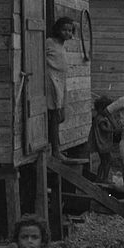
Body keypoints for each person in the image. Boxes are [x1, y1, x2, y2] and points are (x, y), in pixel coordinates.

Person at [45, 17, 76, 162]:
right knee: (54, 114)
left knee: (61, 114)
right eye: (64, 30)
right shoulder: (49, 42)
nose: (67, 33)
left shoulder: (62, 45)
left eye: (69, 30)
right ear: (57, 29)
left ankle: (55, 147)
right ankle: (55, 149)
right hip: (51, 80)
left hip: (61, 80)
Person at [88, 94, 118, 183]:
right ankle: (104, 178)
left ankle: (99, 178)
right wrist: (113, 130)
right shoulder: (101, 119)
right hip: (102, 144)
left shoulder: (98, 117)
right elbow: (103, 128)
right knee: (108, 160)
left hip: (102, 144)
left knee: (103, 161)